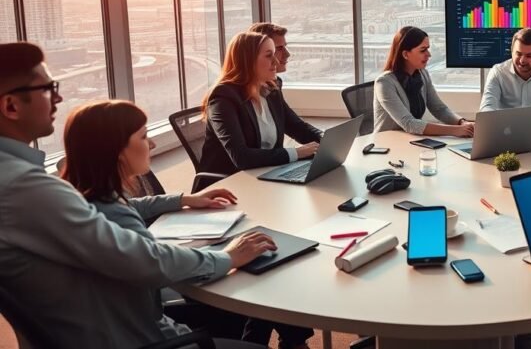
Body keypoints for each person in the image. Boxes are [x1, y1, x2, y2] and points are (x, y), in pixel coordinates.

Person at [0, 42, 275, 349]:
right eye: (48, 88)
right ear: (11, 106)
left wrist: (180, 199)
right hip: (136, 336)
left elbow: (100, 215)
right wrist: (226, 257)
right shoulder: (25, 188)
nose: (59, 97)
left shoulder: (20, 185)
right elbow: (142, 259)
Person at [61, 100, 249, 341]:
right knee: (236, 293)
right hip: (148, 335)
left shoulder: (81, 200)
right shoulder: (116, 217)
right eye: (143, 136)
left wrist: (184, 199)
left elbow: (132, 205)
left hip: (110, 326)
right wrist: (229, 257)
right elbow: (163, 264)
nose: (152, 143)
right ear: (116, 150)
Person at [199, 31, 323, 176]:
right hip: (228, 184)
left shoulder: (271, 90)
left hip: (268, 173)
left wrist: (328, 139)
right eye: (269, 55)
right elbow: (242, 157)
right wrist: (296, 153)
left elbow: (297, 127)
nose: (276, 61)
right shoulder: (223, 98)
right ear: (248, 60)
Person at [373, 26, 474, 136]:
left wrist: (462, 122)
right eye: (423, 50)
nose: (429, 54)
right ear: (405, 54)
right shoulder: (384, 83)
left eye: (428, 49)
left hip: (411, 141)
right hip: (386, 146)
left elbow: (439, 109)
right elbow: (409, 123)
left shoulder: (422, 74)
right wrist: (455, 130)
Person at [250, 21, 292, 87]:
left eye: (285, 46)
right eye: (279, 48)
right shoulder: (234, 94)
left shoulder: (275, 83)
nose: (287, 54)